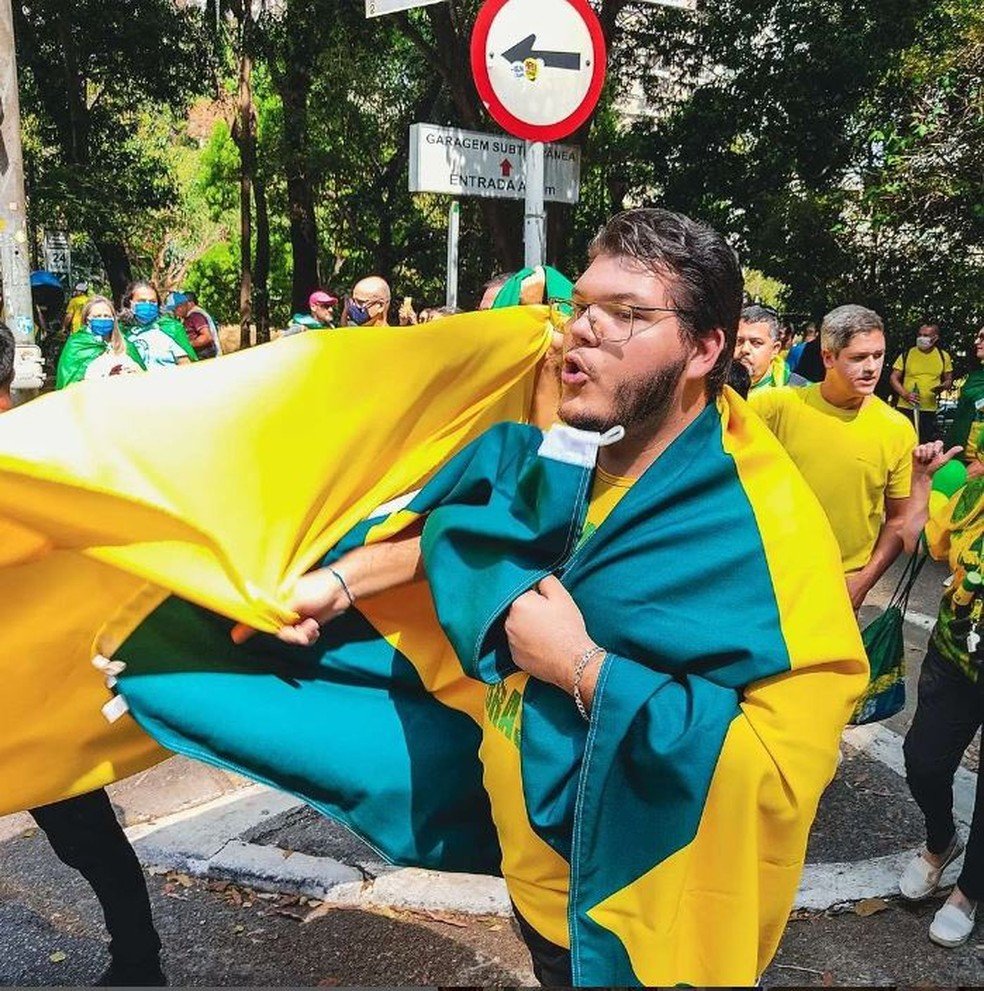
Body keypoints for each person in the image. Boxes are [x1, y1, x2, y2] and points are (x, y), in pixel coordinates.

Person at [236, 209, 865, 985]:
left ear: (707, 349)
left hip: (633, 911)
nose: (583, 331)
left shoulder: (763, 524)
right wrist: (338, 583)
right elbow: (482, 526)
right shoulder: (573, 444)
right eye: (582, 307)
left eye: (627, 314)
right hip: (530, 883)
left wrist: (581, 666)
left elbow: (776, 771)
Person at [0, 322, 165, 986]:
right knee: (86, 835)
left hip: (36, 697)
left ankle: (138, 959)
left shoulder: (39, 459)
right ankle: (139, 958)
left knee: (84, 835)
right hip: (36, 697)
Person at [750, 304, 917, 609]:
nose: (871, 367)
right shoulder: (776, 407)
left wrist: (864, 581)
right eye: (858, 357)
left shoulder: (898, 430)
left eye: (878, 355)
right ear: (828, 357)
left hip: (839, 590)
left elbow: (899, 520)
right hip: (766, 577)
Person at [898, 439, 984, 947]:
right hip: (955, 659)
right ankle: (940, 842)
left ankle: (968, 893)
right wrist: (923, 482)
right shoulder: (974, 493)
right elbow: (919, 541)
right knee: (924, 760)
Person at [55, 296, 145, 388]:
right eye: (97, 316)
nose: (103, 319)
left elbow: (145, 379)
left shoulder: (125, 344)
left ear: (113, 319)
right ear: (87, 319)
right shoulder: (77, 345)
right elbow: (69, 385)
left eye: (107, 316)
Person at [890, 322, 954, 443]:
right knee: (903, 442)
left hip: (929, 410)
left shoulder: (943, 356)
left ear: (935, 338)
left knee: (924, 443)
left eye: (926, 335)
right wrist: (905, 395)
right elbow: (893, 378)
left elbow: (949, 380)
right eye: (920, 334)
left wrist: (944, 386)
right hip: (906, 408)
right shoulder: (907, 354)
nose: (921, 338)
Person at [120, 281, 197, 371]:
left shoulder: (171, 328)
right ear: (130, 303)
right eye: (142, 301)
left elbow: (186, 364)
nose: (148, 304)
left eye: (152, 301)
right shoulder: (122, 334)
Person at [734, 304, 807, 390]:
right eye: (738, 341)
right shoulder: (716, 388)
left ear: (775, 349)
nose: (744, 349)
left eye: (756, 343)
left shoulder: (800, 392)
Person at [946, 326, 984, 464]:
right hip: (958, 457)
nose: (976, 342)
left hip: (976, 464)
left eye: (982, 338)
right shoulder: (976, 375)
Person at [164, 291, 222, 359]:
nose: (174, 313)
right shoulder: (186, 318)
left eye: (175, 309)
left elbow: (207, 337)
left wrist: (188, 344)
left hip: (207, 356)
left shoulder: (195, 316)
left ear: (182, 305)